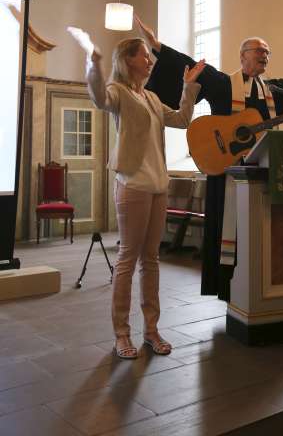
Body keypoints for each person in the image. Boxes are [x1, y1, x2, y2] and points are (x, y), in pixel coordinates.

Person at [137, 17, 283, 300]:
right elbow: (194, 67)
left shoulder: (272, 92)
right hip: (226, 174)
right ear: (243, 56)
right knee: (228, 232)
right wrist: (156, 45)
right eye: (259, 51)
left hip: (261, 179)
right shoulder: (224, 85)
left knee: (258, 238)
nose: (265, 56)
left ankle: (262, 288)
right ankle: (228, 288)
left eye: (268, 53)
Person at [85, 36, 205, 359]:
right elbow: (98, 98)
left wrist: (189, 88)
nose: (150, 60)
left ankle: (151, 330)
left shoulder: (151, 97)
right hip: (133, 184)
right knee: (127, 259)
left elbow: (182, 119)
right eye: (143, 55)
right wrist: (93, 65)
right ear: (127, 60)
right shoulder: (118, 92)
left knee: (151, 260)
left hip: (158, 186)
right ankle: (121, 334)